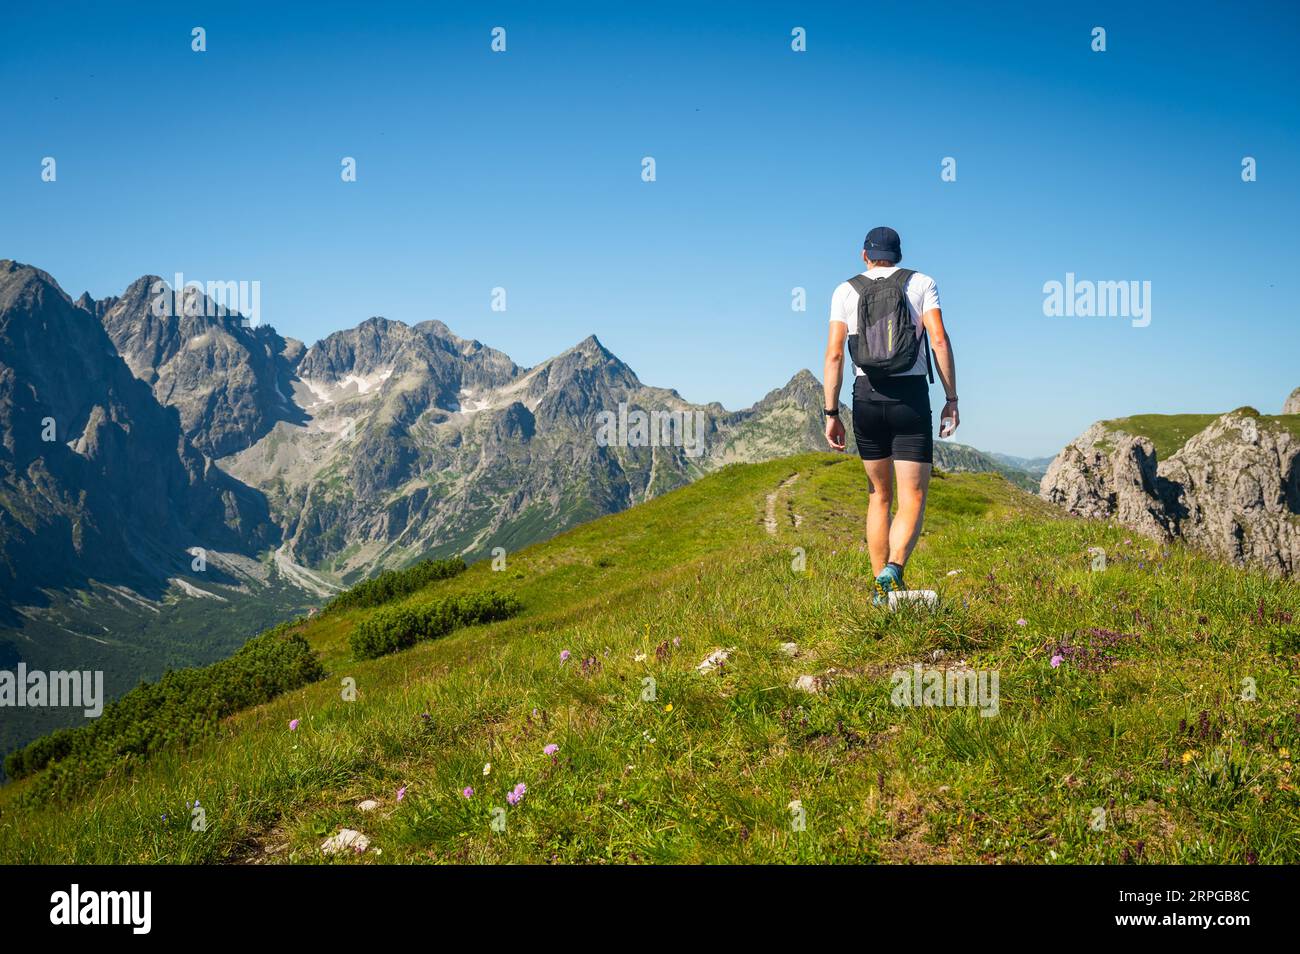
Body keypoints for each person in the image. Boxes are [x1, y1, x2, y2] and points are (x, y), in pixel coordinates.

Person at [822, 226, 959, 604]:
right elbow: (939, 339)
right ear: (898, 255)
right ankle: (894, 568)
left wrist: (831, 412)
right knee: (912, 496)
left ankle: (880, 594)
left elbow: (834, 355)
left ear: (864, 255)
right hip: (910, 398)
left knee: (878, 496)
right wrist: (951, 398)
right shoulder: (922, 283)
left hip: (865, 397)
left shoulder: (844, 290)